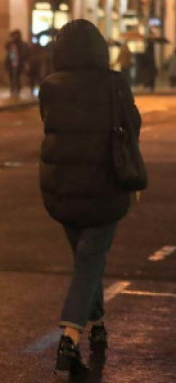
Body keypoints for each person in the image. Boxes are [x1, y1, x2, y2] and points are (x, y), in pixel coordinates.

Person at [39, 19, 141, 374]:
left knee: (86, 258)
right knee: (89, 258)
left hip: (62, 188)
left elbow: (49, 128)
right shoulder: (115, 84)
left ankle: (97, 323)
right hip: (105, 186)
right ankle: (70, 333)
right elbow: (133, 126)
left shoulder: (50, 86)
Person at [5, 29, 28, 99]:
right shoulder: (10, 43)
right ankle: (12, 90)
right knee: (11, 77)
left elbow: (24, 53)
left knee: (17, 77)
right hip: (11, 63)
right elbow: (6, 48)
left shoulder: (21, 44)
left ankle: (17, 90)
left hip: (19, 63)